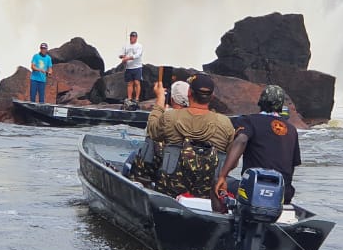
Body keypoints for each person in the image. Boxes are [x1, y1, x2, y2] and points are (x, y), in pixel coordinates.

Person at [146, 74, 234, 204]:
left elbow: (152, 132)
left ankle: (140, 180)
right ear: (212, 96)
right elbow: (232, 160)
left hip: (170, 190)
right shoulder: (225, 123)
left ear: (189, 93)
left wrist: (160, 99)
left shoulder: (171, 117)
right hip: (208, 194)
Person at [215, 84, 301, 204]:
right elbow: (292, 165)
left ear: (260, 102)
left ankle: (220, 216)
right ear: (281, 106)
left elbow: (242, 140)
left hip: (255, 190)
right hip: (283, 193)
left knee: (216, 182)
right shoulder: (292, 130)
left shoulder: (249, 121)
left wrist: (223, 175)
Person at [119, 31, 144, 104]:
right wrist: (123, 57)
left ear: (136, 37)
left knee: (137, 82)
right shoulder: (126, 46)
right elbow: (121, 54)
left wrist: (127, 58)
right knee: (130, 83)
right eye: (131, 36)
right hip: (129, 67)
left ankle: (136, 98)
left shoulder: (139, 46)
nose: (132, 38)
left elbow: (137, 55)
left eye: (133, 36)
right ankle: (129, 98)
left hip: (137, 67)